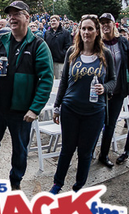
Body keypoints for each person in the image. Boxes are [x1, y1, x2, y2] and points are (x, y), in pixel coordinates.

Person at [0, 1, 54, 190]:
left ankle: (15, 181)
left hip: (21, 110)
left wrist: (35, 109)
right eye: (10, 14)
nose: (12, 17)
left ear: (27, 17)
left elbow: (46, 79)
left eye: (17, 14)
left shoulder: (38, 45)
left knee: (20, 149)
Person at [49, 15, 116, 194]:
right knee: (67, 149)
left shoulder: (105, 54)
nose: (86, 32)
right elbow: (63, 82)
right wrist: (57, 107)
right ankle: (57, 184)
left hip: (95, 112)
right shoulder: (72, 52)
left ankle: (78, 188)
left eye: (90, 29)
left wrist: (105, 87)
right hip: (70, 109)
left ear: (97, 31)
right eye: (83, 28)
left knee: (85, 152)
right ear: (79, 31)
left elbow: (113, 81)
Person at [97, 13, 129, 167]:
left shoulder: (123, 43)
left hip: (118, 92)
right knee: (96, 123)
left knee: (111, 125)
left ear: (114, 24)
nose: (105, 25)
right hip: (100, 92)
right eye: (102, 23)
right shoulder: (97, 43)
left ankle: (103, 155)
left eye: (108, 22)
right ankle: (88, 153)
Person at [44, 15, 72, 80]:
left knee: (59, 80)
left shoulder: (65, 33)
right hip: (49, 62)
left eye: (54, 21)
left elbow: (68, 46)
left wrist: (62, 54)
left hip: (60, 62)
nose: (52, 23)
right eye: (51, 21)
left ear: (58, 21)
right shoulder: (47, 33)